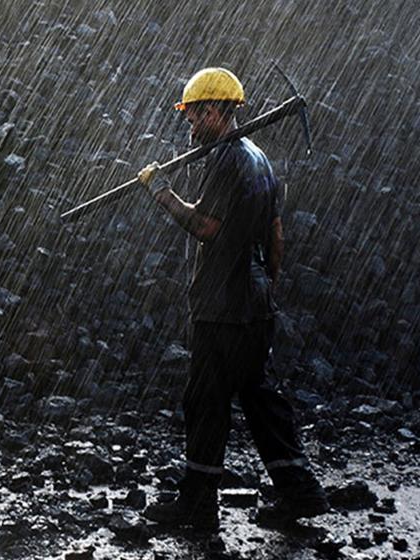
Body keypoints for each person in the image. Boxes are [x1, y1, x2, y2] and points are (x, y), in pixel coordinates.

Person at [136, 67, 329, 530]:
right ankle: (300, 492)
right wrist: (266, 290)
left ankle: (198, 506)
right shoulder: (257, 156)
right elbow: (276, 235)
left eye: (192, 116)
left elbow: (206, 227)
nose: (189, 126)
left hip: (222, 308)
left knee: (205, 401)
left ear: (211, 111)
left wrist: (161, 192)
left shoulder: (226, 160)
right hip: (253, 304)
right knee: (260, 398)